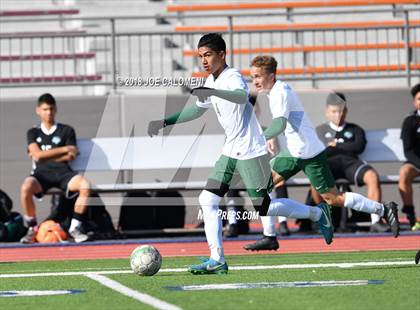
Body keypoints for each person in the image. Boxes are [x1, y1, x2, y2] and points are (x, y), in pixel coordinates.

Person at [148, 33, 334, 274]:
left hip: (251, 150)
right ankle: (217, 260)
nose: (203, 60)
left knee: (263, 208)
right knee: (207, 199)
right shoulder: (212, 81)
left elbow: (240, 96)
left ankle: (317, 213)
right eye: (200, 56)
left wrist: (214, 93)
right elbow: (195, 110)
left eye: (208, 55)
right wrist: (165, 121)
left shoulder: (232, 76)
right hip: (230, 151)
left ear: (222, 55)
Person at [244, 56, 399, 251]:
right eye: (252, 77)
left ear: (272, 75)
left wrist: (265, 137)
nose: (255, 81)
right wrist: (271, 138)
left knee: (333, 199)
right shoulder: (275, 91)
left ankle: (383, 209)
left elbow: (280, 123)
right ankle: (270, 236)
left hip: (309, 153)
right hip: (294, 151)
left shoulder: (280, 92)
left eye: (258, 76)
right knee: (261, 185)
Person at [311, 92, 389, 232]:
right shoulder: (319, 130)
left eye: (341, 111)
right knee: (314, 178)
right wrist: (344, 147)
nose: (338, 115)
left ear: (346, 111)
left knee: (372, 176)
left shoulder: (355, 129)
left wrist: (336, 145)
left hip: (350, 164)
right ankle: (323, 219)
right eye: (334, 111)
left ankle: (376, 220)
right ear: (327, 112)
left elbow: (359, 147)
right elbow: (320, 151)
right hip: (329, 164)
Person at [20, 93, 91, 243]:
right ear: (38, 110)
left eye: (51, 109)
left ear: (56, 109)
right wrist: (64, 149)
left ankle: (75, 227)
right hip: (41, 174)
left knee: (85, 185)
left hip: (63, 173)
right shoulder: (33, 132)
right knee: (26, 187)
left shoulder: (67, 130)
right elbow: (37, 156)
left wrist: (46, 154)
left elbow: (71, 155)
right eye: (45, 109)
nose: (49, 112)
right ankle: (32, 229)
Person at [399, 83, 420, 229]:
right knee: (404, 173)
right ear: (415, 102)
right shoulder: (409, 121)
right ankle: (411, 215)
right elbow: (408, 150)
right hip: (416, 163)